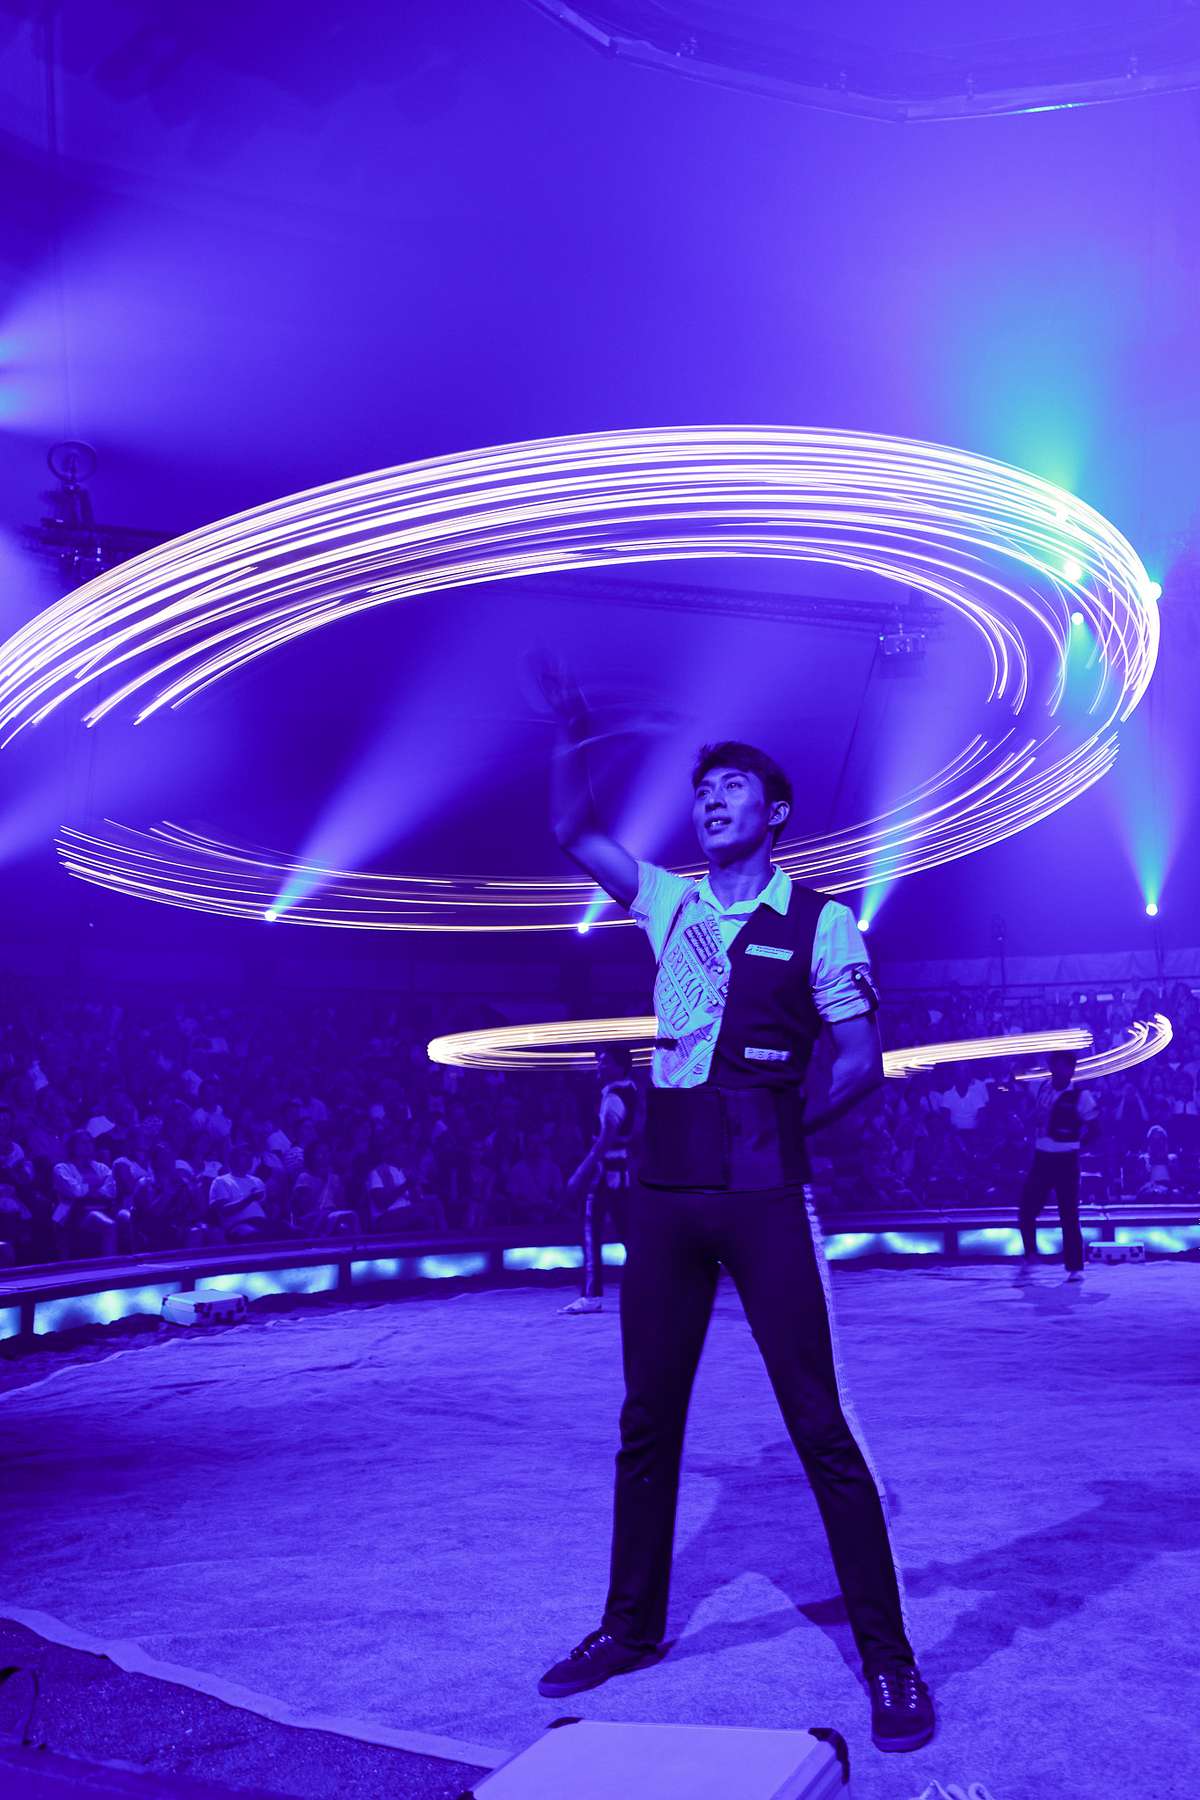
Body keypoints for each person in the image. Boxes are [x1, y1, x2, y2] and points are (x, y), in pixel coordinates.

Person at [530, 654, 934, 1755]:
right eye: (702, 789)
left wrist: (786, 1127)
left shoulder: (821, 923)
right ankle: (629, 1627)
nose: (711, 800)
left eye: (733, 787)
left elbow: (860, 1056)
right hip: (664, 1194)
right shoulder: (667, 901)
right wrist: (571, 730)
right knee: (645, 1422)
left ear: (776, 812)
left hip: (762, 1195)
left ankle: (889, 1659)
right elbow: (573, 830)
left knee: (820, 1427)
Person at [560, 1046, 639, 1315]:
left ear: (619, 1066)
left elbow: (605, 1141)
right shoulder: (629, 1089)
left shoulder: (614, 1097)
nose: (600, 1066)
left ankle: (591, 1296)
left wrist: (580, 1173)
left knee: (591, 1231)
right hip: (621, 1172)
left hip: (606, 1173)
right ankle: (656, 1286)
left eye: (605, 1062)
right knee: (628, 1233)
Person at [1017, 1049, 1097, 1280]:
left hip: (1066, 1160)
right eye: (1057, 1066)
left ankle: (1075, 1267)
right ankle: (1030, 1255)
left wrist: (1074, 1142)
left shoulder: (1081, 1096)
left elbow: (1095, 1129)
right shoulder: (1042, 1088)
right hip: (1042, 1157)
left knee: (1069, 1214)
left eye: (1065, 1067)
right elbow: (1029, 1105)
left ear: (1071, 1070)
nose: (1060, 1071)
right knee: (1027, 1208)